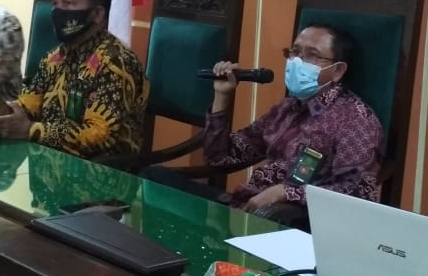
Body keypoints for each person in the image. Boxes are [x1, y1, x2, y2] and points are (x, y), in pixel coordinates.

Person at [142, 23, 383, 212]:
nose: (297, 62)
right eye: (294, 52)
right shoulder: (287, 108)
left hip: (287, 224)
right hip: (240, 208)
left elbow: (357, 195)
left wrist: (286, 193)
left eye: (311, 55)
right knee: (153, 179)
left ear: (337, 70)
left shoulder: (355, 120)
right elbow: (220, 159)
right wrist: (222, 96)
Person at [0, 0, 148, 158]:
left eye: (68, 3)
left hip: (101, 169)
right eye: (55, 3)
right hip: (45, 159)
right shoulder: (55, 57)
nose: (58, 11)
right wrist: (3, 115)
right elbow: (29, 104)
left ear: (97, 13)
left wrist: (33, 130)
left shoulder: (116, 62)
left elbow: (100, 136)